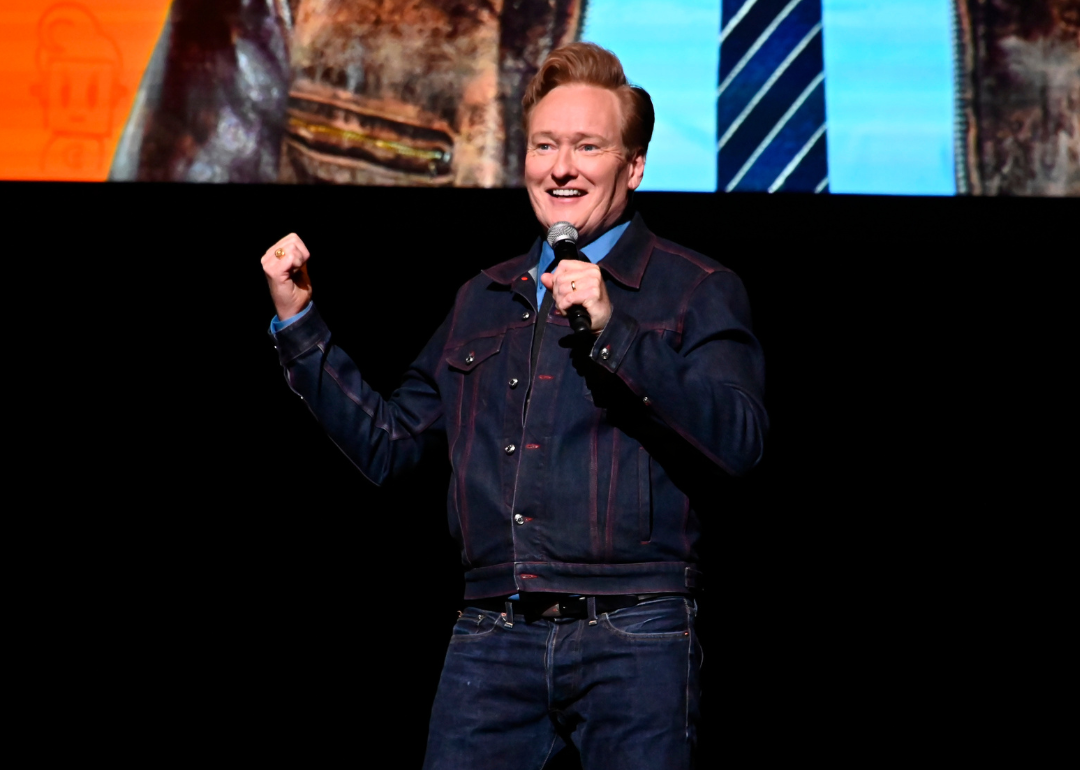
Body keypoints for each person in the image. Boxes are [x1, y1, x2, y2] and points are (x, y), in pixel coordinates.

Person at [261, 42, 766, 770]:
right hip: (493, 632)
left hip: (636, 630)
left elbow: (740, 441)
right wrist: (300, 323)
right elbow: (391, 444)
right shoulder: (485, 298)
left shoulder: (694, 288)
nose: (562, 167)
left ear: (634, 167)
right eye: (544, 146)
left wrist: (616, 333)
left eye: (588, 147)